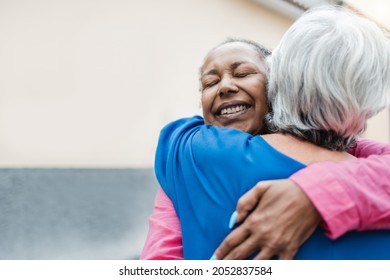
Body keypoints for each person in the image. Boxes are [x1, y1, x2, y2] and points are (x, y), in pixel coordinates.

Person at [141, 6, 390, 260]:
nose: (225, 86)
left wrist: (317, 193)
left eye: (244, 73)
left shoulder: (190, 151)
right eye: (209, 83)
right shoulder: (190, 160)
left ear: (276, 84)